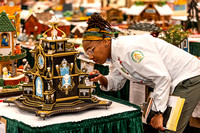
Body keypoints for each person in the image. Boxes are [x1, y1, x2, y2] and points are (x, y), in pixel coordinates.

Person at [82, 13, 200, 133]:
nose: (90, 56)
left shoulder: (129, 50)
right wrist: (102, 79)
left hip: (188, 77)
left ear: (105, 42)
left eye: (91, 50)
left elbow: (162, 77)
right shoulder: (115, 54)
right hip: (174, 80)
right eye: (87, 53)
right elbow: (116, 82)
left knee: (168, 129)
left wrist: (159, 113)